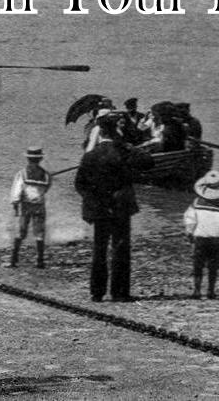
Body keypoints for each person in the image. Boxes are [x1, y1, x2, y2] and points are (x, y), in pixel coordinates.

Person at [74, 116, 154, 302]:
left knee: (99, 249)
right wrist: (129, 145)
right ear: (116, 131)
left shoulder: (89, 156)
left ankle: (97, 292)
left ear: (100, 132)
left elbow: (80, 184)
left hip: (99, 209)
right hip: (120, 207)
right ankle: (119, 292)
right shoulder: (123, 151)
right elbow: (149, 162)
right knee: (121, 249)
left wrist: (94, 200)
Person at [183, 170, 219, 299]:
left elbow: (190, 220)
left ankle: (197, 290)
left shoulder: (196, 203)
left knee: (198, 265)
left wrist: (189, 233)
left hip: (200, 238)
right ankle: (211, 290)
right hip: (217, 239)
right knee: (213, 266)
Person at [8, 147, 51, 268]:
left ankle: (14, 260)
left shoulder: (22, 173)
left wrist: (15, 203)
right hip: (39, 204)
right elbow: (46, 188)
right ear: (40, 159)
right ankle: (40, 261)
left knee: (20, 231)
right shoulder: (45, 174)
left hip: (25, 205)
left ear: (27, 159)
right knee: (39, 232)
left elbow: (17, 189)